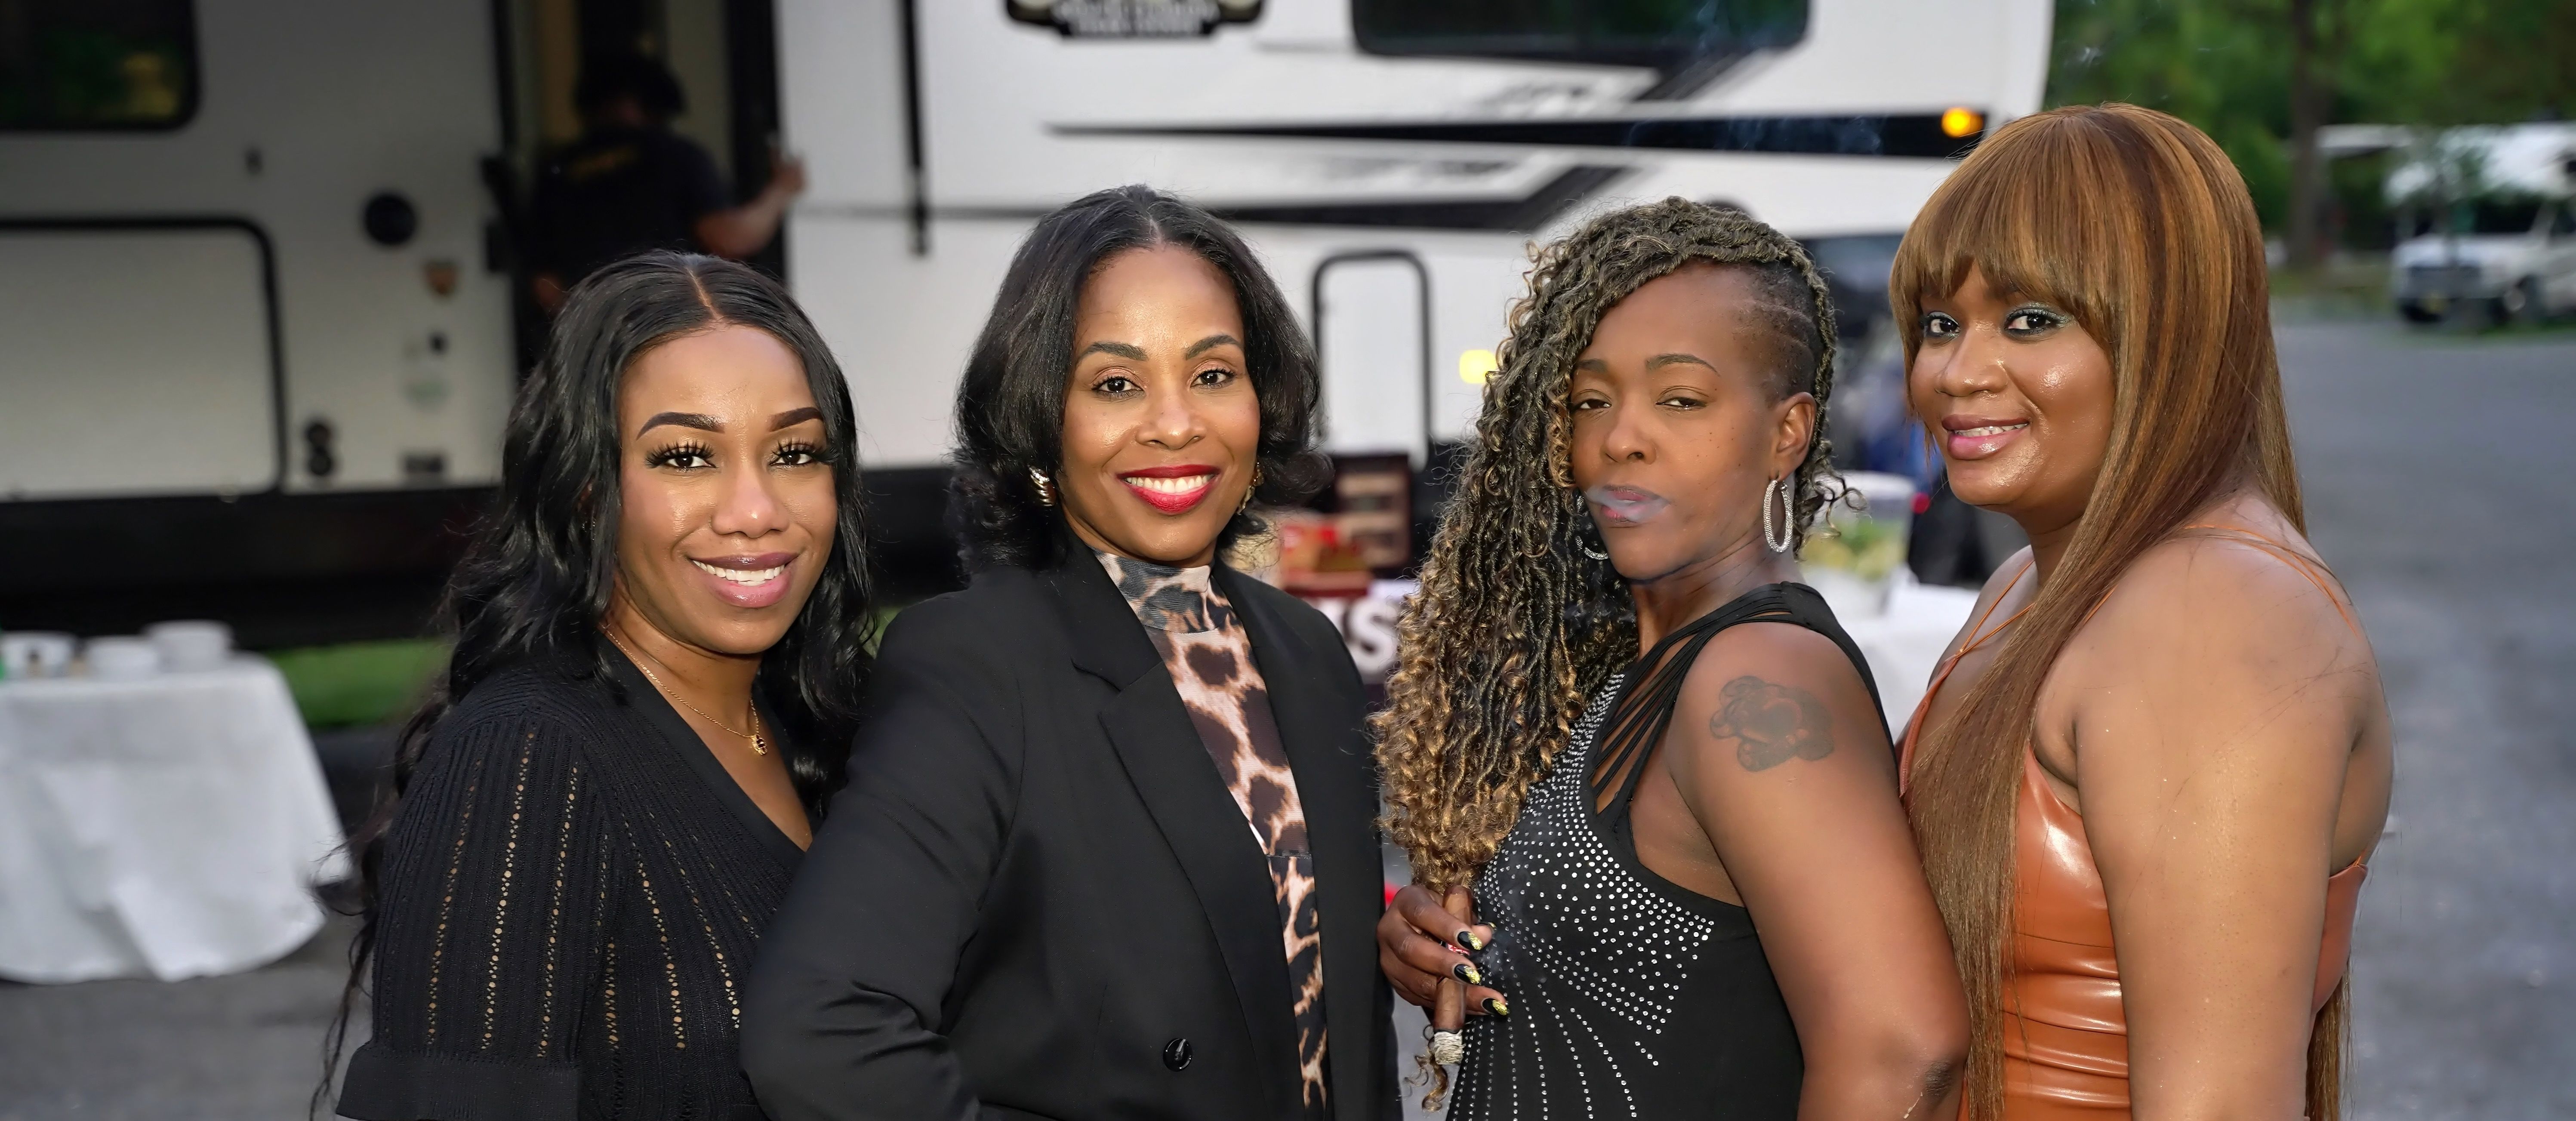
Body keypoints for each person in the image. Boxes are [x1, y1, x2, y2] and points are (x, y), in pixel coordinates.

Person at [740, 185, 1396, 1120]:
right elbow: (820, 1028)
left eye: (1213, 374)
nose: (1176, 423)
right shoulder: (974, 665)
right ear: (1044, 421)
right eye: (1116, 384)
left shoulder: (1307, 651)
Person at [1373, 199, 1969, 1120]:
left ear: (1789, 433)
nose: (1622, 438)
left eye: (1681, 399)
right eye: (1590, 400)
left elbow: (1902, 1051)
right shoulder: (1643, 670)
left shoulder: (1758, 675)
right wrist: (1452, 946)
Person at [1891, 104, 2392, 1121]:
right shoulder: (2029, 583)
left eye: (2030, 320)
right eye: (1940, 324)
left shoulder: (2210, 613)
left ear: (2172, 329)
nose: (1957, 372)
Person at [327, 252, 875, 1121]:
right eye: (687, 456)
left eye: (795, 451)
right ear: (588, 491)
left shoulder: (829, 726)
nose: (755, 508)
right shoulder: (526, 757)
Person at [528, 54, 806, 313]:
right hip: (665, 317)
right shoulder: (673, 155)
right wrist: (781, 190)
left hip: (594, 322)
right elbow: (730, 238)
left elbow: (545, 284)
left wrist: (587, 326)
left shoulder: (559, 171)